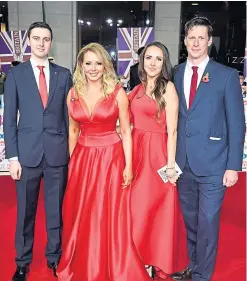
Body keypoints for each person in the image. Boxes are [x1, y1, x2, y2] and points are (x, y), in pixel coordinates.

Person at [56, 43, 153, 281]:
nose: (93, 68)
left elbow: (127, 132)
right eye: (88, 63)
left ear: (105, 65)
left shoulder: (117, 92)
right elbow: (73, 131)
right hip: (82, 158)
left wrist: (128, 165)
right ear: (81, 65)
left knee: (107, 212)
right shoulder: (73, 93)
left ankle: (112, 264)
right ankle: (83, 261)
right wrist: (72, 163)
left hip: (111, 158)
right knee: (82, 212)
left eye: (98, 63)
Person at [171, 16, 245, 281]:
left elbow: (237, 124)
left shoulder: (226, 76)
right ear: (185, 41)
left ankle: (203, 275)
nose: (195, 42)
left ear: (209, 41)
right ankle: (193, 265)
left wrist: (233, 166)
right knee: (191, 221)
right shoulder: (176, 73)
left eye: (201, 38)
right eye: (191, 37)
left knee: (208, 223)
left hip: (214, 164)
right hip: (183, 163)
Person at [3, 22, 72, 281]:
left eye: (46, 39)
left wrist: (71, 154)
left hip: (56, 156)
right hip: (27, 155)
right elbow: (9, 119)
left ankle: (54, 259)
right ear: (29, 41)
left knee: (55, 211)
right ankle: (22, 262)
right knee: (25, 213)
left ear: (51, 42)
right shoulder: (16, 75)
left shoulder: (63, 75)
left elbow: (68, 118)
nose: (41, 43)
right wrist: (13, 157)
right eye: (36, 38)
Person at [128, 41, 188, 279]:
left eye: (158, 59)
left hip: (157, 156)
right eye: (148, 58)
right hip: (136, 152)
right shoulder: (136, 88)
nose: (152, 63)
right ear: (142, 61)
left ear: (164, 64)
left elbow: (172, 130)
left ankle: (152, 261)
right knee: (135, 210)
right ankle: (139, 258)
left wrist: (171, 166)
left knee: (152, 210)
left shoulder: (168, 88)